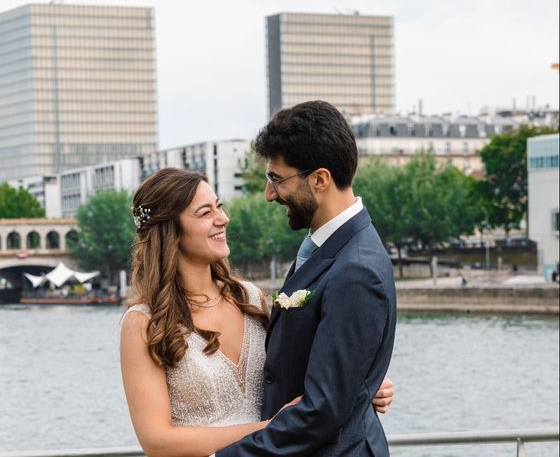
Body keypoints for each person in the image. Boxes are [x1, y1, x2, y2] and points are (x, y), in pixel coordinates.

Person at [120, 167, 394, 457]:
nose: (222, 219)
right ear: (170, 232)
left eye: (220, 207)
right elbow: (158, 442)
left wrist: (357, 383)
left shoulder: (248, 298)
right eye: (205, 213)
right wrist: (268, 427)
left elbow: (302, 371)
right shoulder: (143, 324)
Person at [216, 100, 397, 456]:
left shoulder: (355, 269)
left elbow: (323, 410)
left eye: (276, 179)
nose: (270, 194)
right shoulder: (328, 248)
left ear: (319, 179)